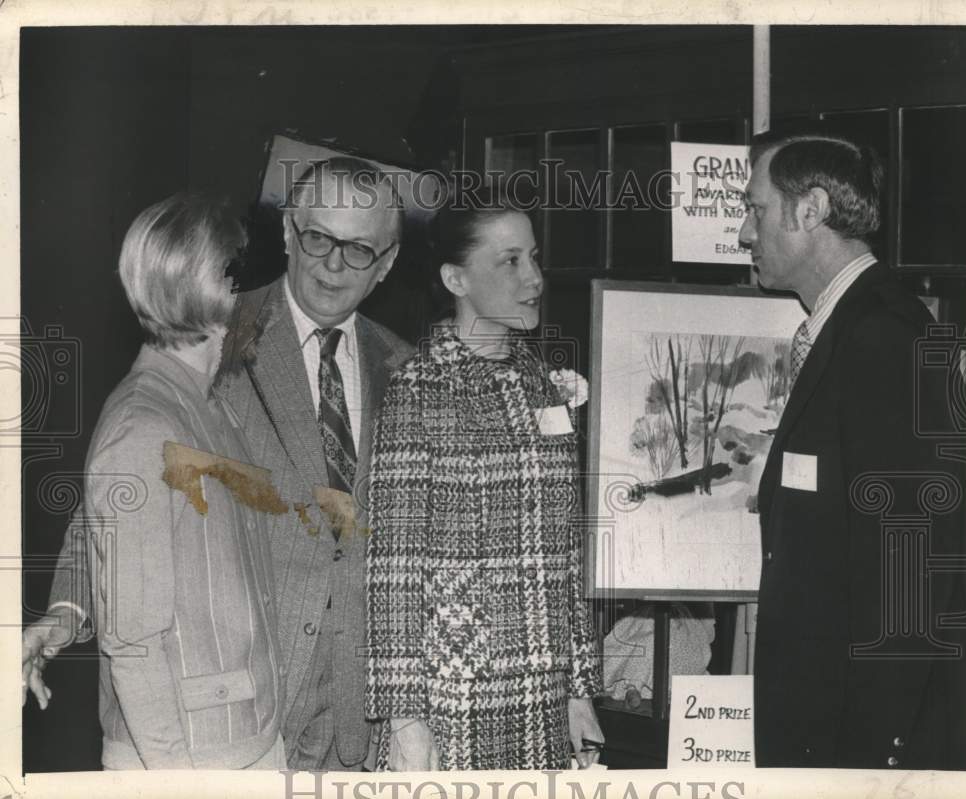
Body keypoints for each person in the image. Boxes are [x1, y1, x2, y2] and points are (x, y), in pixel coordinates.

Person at [25, 157, 414, 771]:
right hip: (235, 722)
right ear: (287, 234)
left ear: (389, 261)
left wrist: (407, 711)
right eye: (318, 238)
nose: (333, 264)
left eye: (359, 249)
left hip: (359, 723)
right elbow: (111, 506)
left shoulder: (407, 370)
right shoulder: (211, 330)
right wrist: (65, 613)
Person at [740, 134, 966, 769]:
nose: (743, 232)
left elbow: (910, 566)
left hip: (859, 742)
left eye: (755, 210)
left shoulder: (880, 336)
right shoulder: (852, 325)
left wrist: (880, 750)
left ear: (810, 210)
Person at [365, 200, 604, 771]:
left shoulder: (542, 385)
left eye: (535, 258)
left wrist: (580, 687)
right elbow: (393, 568)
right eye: (511, 262)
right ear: (456, 279)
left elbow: (565, 550)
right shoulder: (418, 390)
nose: (535, 279)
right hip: (453, 699)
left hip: (544, 698)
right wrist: (404, 719)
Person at [67, 193, 284, 768]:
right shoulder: (145, 426)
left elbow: (93, 529)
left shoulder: (210, 406)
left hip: (244, 736)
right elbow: (132, 643)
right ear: (218, 294)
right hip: (190, 756)